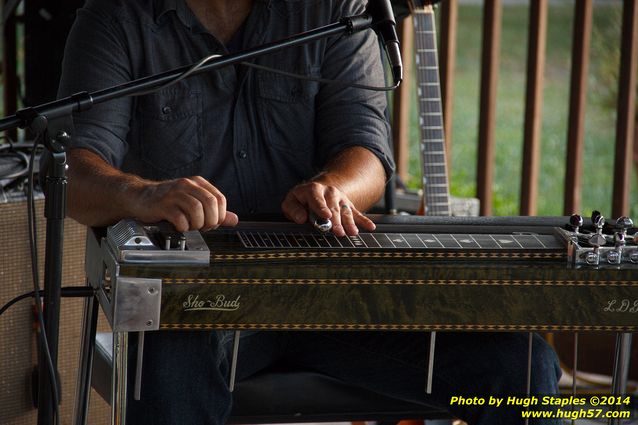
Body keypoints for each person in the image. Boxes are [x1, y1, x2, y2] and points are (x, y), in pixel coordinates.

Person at [58, 0, 562, 423]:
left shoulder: (336, 9)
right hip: (197, 302)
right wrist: (144, 195)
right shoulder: (116, 18)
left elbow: (366, 151)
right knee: (169, 362)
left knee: (520, 366)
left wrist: (333, 188)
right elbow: (73, 175)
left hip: (333, 296)